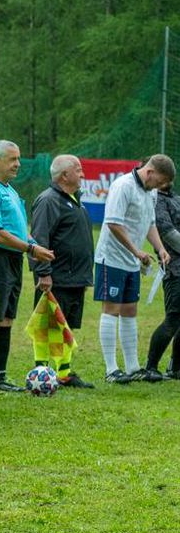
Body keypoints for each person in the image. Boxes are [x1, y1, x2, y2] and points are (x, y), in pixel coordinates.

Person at [0, 140, 54, 392]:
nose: (18, 164)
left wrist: (34, 245)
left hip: (14, 260)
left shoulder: (11, 190)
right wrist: (30, 248)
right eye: (12, 159)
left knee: (6, 319)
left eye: (18, 159)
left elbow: (18, 228)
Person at [94, 154, 175, 382]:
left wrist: (160, 248)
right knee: (111, 309)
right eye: (159, 182)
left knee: (130, 310)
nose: (159, 187)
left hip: (131, 262)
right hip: (111, 258)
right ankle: (111, 370)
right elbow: (113, 222)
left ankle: (132, 368)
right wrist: (136, 250)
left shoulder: (151, 193)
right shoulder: (123, 186)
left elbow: (150, 223)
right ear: (149, 172)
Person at [29, 154, 95, 388]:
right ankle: (41, 371)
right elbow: (39, 238)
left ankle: (65, 373)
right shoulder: (49, 200)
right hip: (56, 277)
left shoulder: (75, 199)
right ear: (64, 175)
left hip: (75, 276)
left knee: (65, 326)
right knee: (47, 325)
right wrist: (44, 272)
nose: (83, 174)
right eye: (78, 170)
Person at [146, 180, 180, 378]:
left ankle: (175, 368)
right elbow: (168, 234)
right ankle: (151, 367)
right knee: (173, 319)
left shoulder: (175, 199)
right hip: (175, 269)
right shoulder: (156, 202)